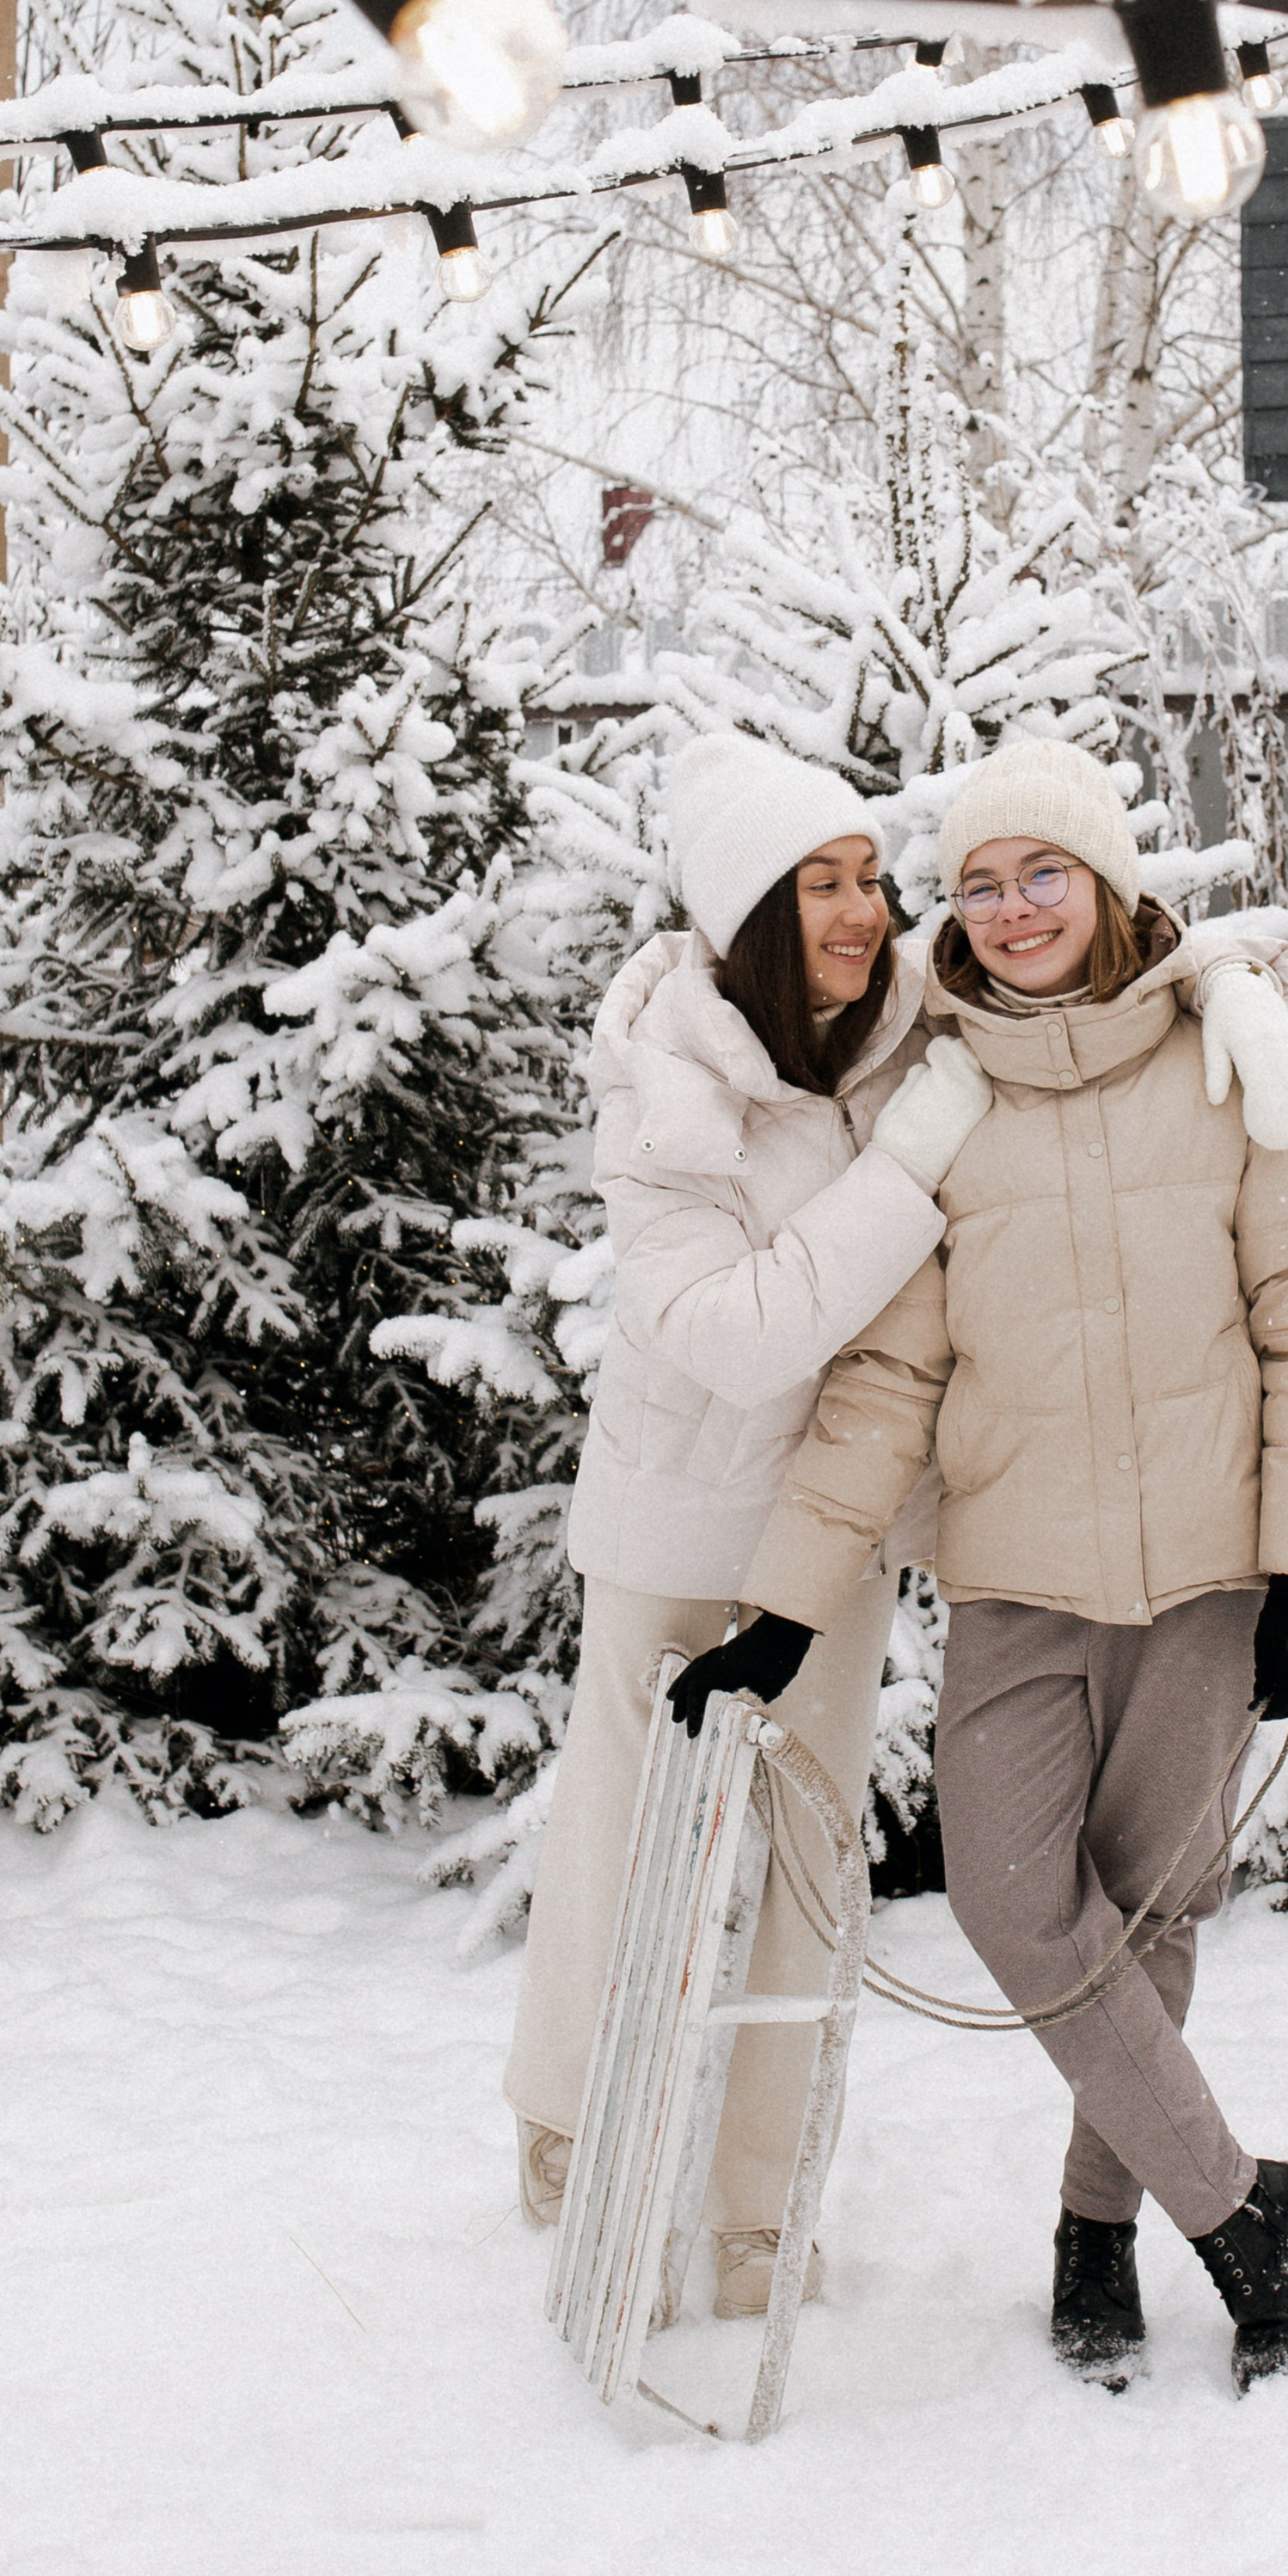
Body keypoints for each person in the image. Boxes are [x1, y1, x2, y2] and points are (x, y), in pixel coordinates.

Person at [669, 736, 1288, 2393]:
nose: (1009, 909)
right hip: (1018, 1589)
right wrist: (781, 1612)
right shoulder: (946, 1106)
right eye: (977, 885)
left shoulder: (1227, 1065)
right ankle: (1239, 2211)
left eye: (1040, 873)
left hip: (1209, 1582)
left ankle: (1096, 2231)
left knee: (1148, 1908)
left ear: (1108, 885)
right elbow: (890, 1385)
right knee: (1008, 1897)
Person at [502, 731, 996, 2317]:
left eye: (872, 878)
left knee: (807, 1859)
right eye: (823, 885)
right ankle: (572, 2123)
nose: (864, 912)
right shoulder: (667, 1079)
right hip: (673, 1532)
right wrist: (909, 1170)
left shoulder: (912, 1041)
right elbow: (736, 1333)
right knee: (624, 1848)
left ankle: (757, 2206)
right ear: (745, 913)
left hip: (825, 1537)